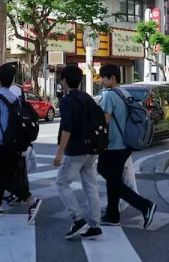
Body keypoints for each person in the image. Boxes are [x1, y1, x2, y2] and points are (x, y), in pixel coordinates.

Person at [97, 64, 157, 229]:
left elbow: (104, 121)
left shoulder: (110, 95)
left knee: (105, 172)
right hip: (125, 143)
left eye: (103, 78)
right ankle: (112, 215)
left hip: (113, 144)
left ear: (112, 78)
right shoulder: (125, 93)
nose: (101, 81)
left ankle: (144, 205)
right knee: (114, 179)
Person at [0, 64, 42, 224]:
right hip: (15, 141)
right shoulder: (15, 98)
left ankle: (30, 200)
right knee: (0, 175)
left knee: (4, 178)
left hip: (4, 143)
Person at [53, 65, 102, 240]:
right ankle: (95, 225)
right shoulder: (87, 98)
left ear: (64, 81)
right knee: (91, 187)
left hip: (75, 150)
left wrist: (59, 153)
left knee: (61, 183)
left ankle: (77, 219)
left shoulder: (66, 101)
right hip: (92, 148)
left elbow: (67, 128)